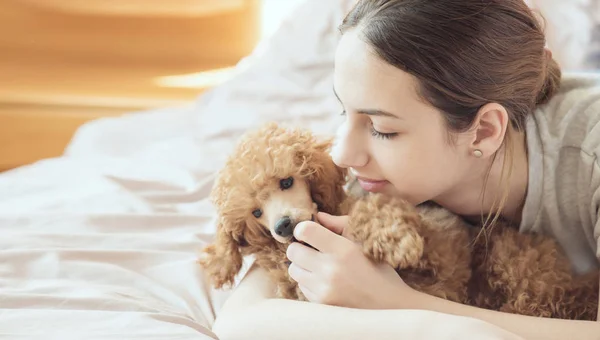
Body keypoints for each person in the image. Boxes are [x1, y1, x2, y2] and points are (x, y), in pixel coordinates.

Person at [212, 0, 600, 339]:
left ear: (483, 131)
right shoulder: (373, 180)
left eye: (382, 129)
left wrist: (398, 304)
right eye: (343, 111)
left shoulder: (590, 151)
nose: (344, 154)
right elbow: (241, 320)